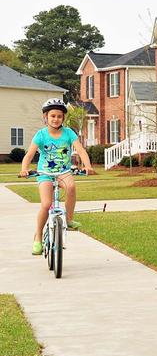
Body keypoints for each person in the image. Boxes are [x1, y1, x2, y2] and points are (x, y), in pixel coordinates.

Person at [19, 98, 95, 255]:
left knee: (72, 187)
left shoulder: (68, 133)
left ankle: (68, 219)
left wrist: (88, 166)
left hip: (63, 172)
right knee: (46, 205)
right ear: (46, 117)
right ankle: (38, 237)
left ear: (63, 118)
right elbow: (29, 154)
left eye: (59, 116)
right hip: (45, 174)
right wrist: (24, 169)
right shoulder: (41, 135)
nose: (56, 119)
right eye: (52, 116)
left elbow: (80, 150)